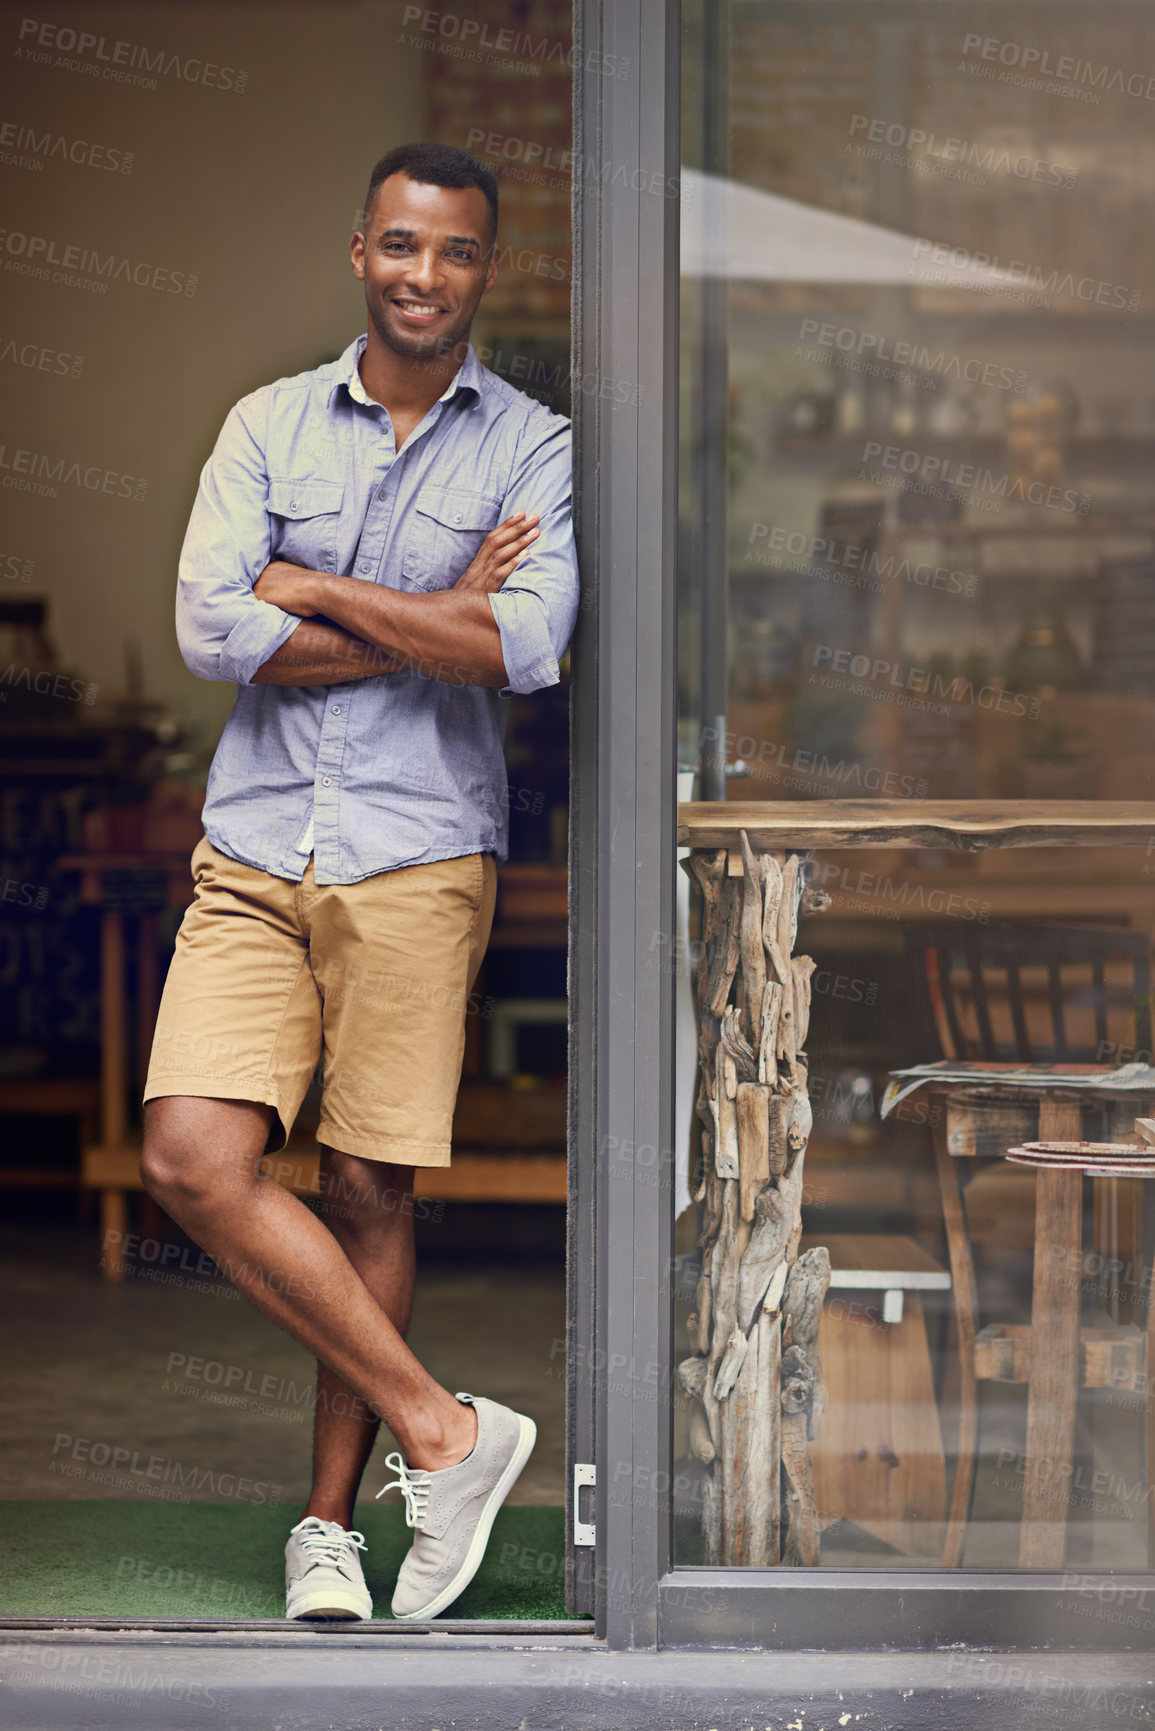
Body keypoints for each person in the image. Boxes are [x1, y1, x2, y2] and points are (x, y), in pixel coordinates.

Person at [139, 141, 579, 1623]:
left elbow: (524, 646)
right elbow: (210, 631)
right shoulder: (266, 425)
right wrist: (437, 610)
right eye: (401, 246)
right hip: (258, 840)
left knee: (369, 1184)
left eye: (454, 252)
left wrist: (318, 588)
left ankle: (329, 1530)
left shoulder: (534, 443)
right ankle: (447, 1433)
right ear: (360, 253)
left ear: (486, 268)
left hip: (419, 846)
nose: (424, 276)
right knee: (195, 1156)